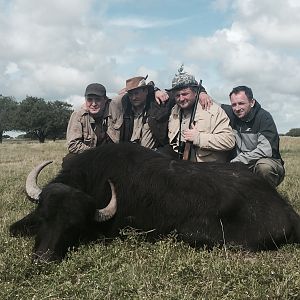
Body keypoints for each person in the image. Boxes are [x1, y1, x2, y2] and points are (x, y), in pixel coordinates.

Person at [167, 67, 235, 162]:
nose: (181, 99)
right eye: (177, 95)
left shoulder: (212, 110)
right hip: (183, 167)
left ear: (196, 93)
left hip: (209, 169)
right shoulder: (174, 111)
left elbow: (229, 141)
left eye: (185, 94)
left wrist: (198, 138)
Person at [221, 85, 285, 187]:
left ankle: (266, 199)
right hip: (240, 164)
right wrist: (202, 93)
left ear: (252, 102)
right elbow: (210, 102)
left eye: (241, 103)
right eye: (233, 104)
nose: (237, 108)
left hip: (265, 160)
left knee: (264, 168)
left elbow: (266, 150)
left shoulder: (264, 117)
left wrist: (237, 161)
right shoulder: (231, 113)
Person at [64, 83, 111, 163]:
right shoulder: (78, 115)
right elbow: (73, 145)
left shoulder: (114, 111)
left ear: (105, 99)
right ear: (85, 100)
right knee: (69, 160)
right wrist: (97, 154)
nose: (93, 104)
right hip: (87, 155)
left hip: (109, 156)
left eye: (98, 99)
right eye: (89, 100)